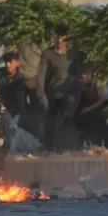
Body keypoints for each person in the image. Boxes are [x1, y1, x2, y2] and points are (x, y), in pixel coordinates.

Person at [38, 24, 76, 152]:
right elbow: (41, 77)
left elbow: (78, 74)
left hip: (68, 94)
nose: (59, 41)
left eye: (62, 38)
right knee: (50, 122)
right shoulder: (47, 54)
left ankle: (67, 148)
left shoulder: (72, 54)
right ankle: (48, 149)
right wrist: (42, 96)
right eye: (57, 37)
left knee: (67, 119)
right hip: (52, 93)